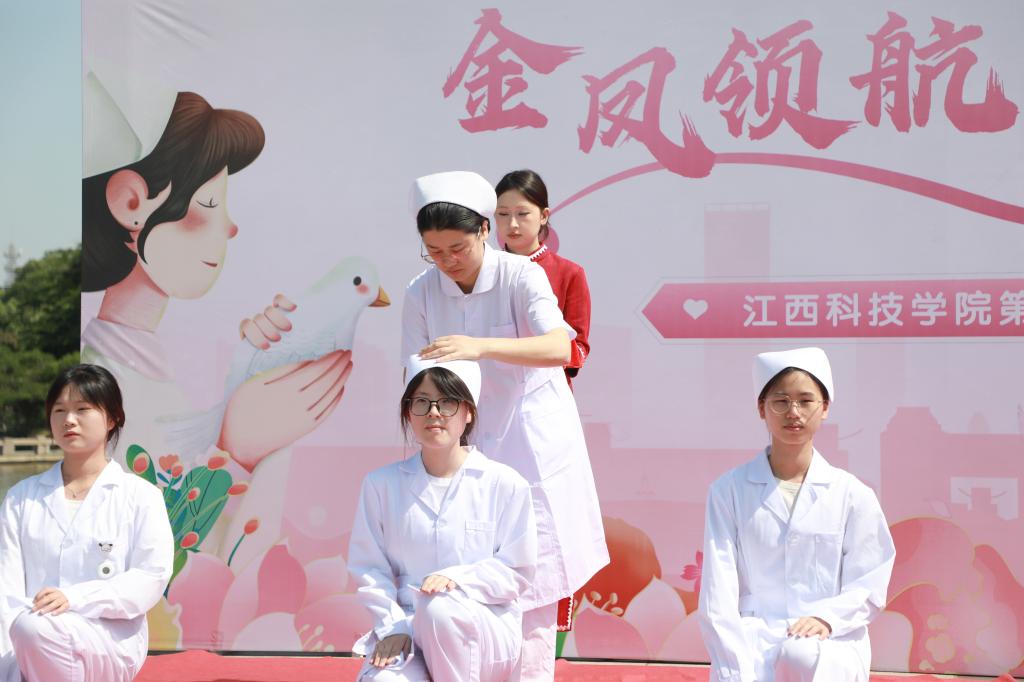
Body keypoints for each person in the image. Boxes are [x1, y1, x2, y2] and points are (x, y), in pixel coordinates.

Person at [401, 170, 608, 681]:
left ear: (483, 231)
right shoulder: (421, 292)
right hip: (464, 446)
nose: (447, 262)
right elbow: (415, 375)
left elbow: (559, 346)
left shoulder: (521, 276)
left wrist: (479, 346)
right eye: (434, 252)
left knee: (533, 581)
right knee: (462, 575)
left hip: (531, 445)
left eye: (458, 248)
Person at [698, 348, 895, 682]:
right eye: (780, 401)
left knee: (801, 654)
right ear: (761, 408)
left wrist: (828, 618)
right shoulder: (728, 491)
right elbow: (718, 591)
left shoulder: (852, 494)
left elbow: (869, 580)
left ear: (825, 407)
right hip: (753, 637)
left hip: (830, 640)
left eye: (805, 401)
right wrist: (731, 668)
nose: (793, 412)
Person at [348, 357, 536, 681]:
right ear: (409, 412)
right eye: (422, 402)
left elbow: (516, 570)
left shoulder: (504, 484)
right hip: (406, 625)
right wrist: (392, 627)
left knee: (440, 608)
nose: (434, 412)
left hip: (482, 625)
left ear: (468, 412)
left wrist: (457, 580)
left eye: (447, 401)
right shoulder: (381, 485)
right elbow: (369, 569)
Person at [0, 364, 174, 682]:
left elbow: (151, 576)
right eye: (59, 410)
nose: (69, 420)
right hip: (25, 638)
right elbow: (5, 586)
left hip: (107, 639)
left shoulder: (141, 495)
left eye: (82, 409)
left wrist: (75, 598)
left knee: (36, 627)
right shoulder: (20, 498)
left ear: (112, 418)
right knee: (31, 629)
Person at [495, 169, 591, 387]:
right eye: (503, 214)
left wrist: (542, 351)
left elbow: (579, 347)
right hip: (493, 388)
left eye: (522, 213)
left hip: (546, 390)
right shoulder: (485, 270)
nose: (512, 224)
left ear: (544, 216)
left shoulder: (569, 273)